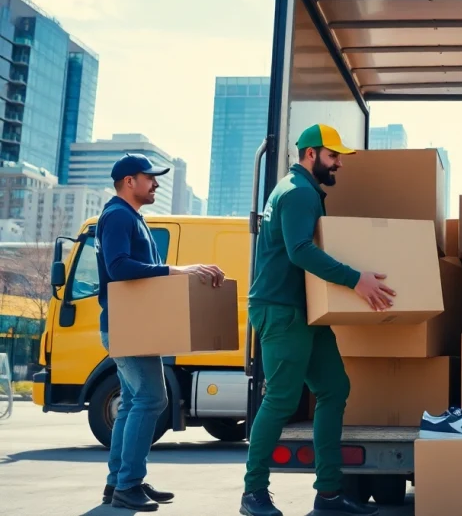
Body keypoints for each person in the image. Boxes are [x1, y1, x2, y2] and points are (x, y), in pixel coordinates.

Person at [241, 124, 395, 516]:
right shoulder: (297, 194)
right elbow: (299, 251)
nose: (338, 163)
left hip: (304, 310)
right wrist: (355, 279)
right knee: (280, 399)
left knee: (333, 388)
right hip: (281, 309)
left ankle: (329, 494)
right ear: (311, 154)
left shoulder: (300, 190)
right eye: (333, 155)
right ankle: (253, 492)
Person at [97, 153, 226, 511]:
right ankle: (128, 484)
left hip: (135, 325)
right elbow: (119, 267)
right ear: (128, 182)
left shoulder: (129, 217)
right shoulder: (119, 217)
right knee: (153, 399)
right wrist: (178, 270)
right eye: (149, 177)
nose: (155, 183)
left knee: (132, 405)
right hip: (128, 327)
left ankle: (119, 482)